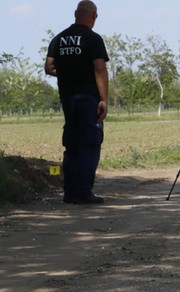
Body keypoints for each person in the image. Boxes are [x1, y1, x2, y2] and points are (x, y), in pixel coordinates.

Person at [45, 0, 109, 204]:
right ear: (93, 16)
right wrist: (104, 100)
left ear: (75, 14)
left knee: (72, 144)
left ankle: (70, 193)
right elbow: (99, 69)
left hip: (68, 99)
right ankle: (83, 193)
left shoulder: (59, 39)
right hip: (88, 98)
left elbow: (49, 67)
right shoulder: (93, 39)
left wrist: (68, 73)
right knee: (90, 143)